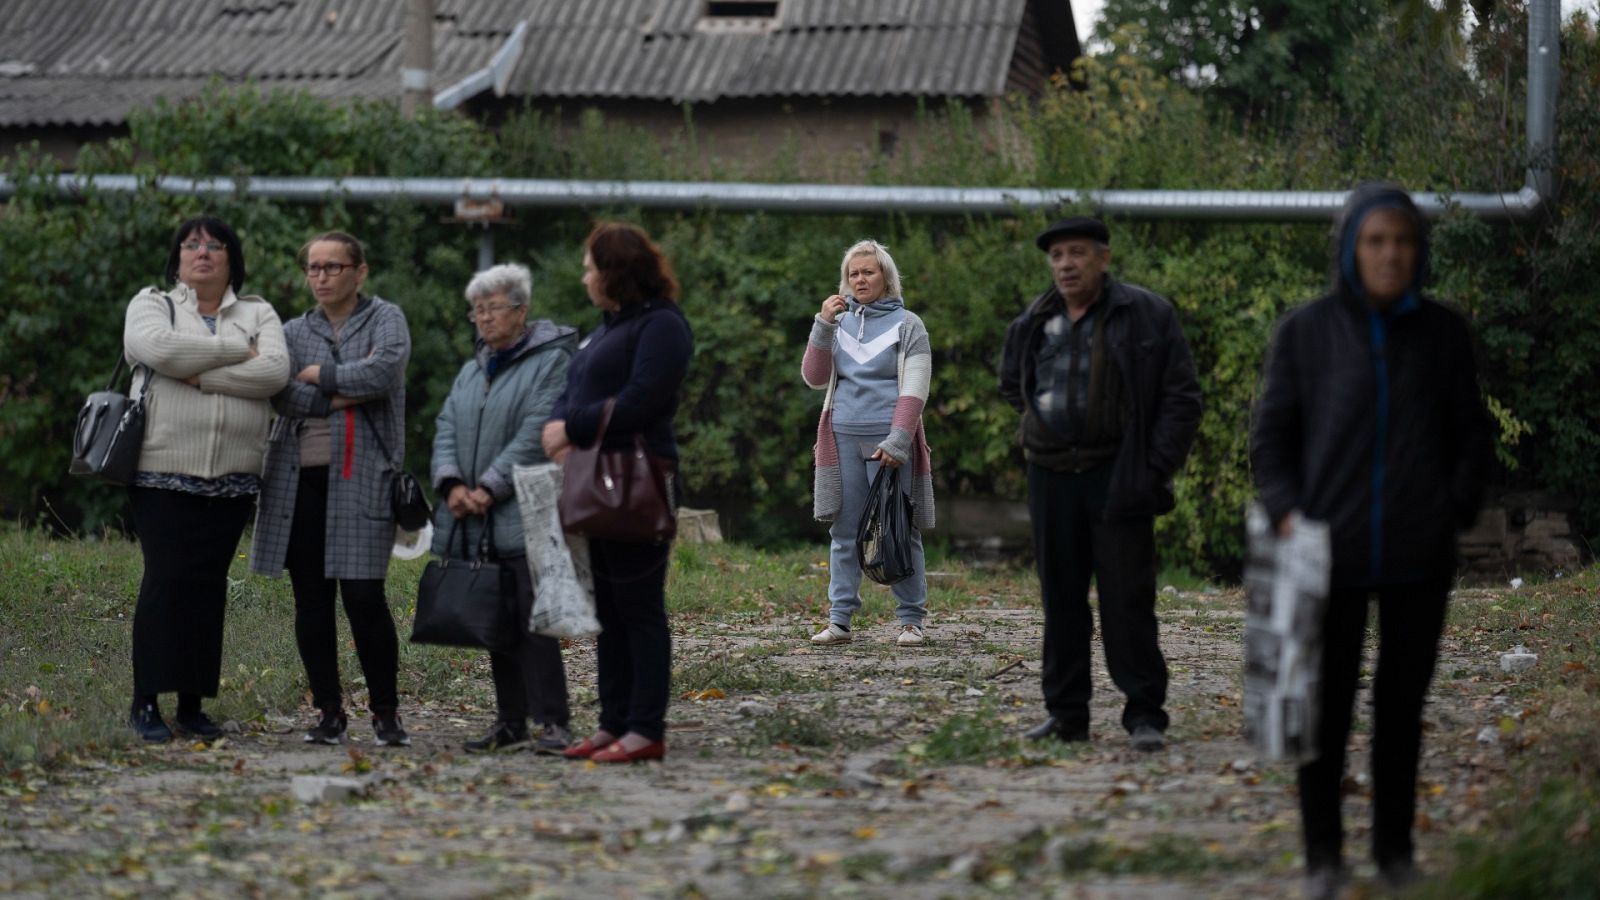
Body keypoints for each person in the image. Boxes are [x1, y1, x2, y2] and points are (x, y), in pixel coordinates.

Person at [1249, 183, 1490, 897]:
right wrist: (1289, 512)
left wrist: (1454, 508)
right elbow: (1272, 439)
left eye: (1403, 241)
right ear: (1350, 249)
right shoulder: (1306, 331)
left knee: (1399, 711)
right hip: (1329, 556)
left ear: (1420, 250)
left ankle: (1394, 855)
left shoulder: (1444, 333)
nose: (1391, 254)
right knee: (1323, 710)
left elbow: (1471, 435)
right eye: (1376, 240)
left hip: (1420, 557)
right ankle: (1324, 856)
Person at [999, 216, 1202, 753]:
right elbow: (1013, 383)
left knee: (1127, 599)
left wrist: (1153, 467)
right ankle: (1067, 716)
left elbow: (1181, 398)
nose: (1065, 264)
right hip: (1051, 475)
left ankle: (1144, 715)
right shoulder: (1035, 318)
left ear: (1103, 259)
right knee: (1061, 599)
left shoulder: (1145, 314)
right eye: (1057, 256)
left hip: (1118, 474)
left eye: (1077, 254)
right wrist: (1042, 427)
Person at [123, 216, 291, 742]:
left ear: (231, 259)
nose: (202, 252)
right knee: (165, 583)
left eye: (215, 245)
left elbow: (275, 373)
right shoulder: (154, 303)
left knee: (206, 590)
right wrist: (237, 351)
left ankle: (193, 706)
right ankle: (146, 702)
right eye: (191, 245)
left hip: (234, 480)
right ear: (176, 258)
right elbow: (161, 350)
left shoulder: (259, 311)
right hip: (161, 473)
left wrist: (204, 375)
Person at [250, 232, 413, 747]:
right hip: (298, 481)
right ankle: (329, 711)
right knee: (311, 600)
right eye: (314, 268)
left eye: (333, 267)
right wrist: (339, 395)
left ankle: (386, 713)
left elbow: (383, 372)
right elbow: (280, 393)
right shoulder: (293, 329)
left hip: (363, 476)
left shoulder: (386, 318)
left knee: (365, 596)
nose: (321, 277)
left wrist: (322, 375)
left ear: (359, 272)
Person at [542, 222, 693, 764]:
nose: (584, 278)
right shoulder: (609, 326)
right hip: (595, 479)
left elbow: (643, 400)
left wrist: (572, 428)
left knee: (639, 607)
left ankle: (645, 729)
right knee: (608, 607)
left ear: (615, 272)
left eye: (590, 267)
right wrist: (558, 426)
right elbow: (573, 387)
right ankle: (613, 722)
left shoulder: (662, 326)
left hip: (638, 480)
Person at [431, 263, 579, 754]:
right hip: (474, 516)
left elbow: (539, 428)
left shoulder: (552, 360)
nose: (484, 319)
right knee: (495, 623)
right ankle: (510, 721)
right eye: (477, 311)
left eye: (493, 308)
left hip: (525, 511)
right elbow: (446, 424)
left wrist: (490, 487)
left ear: (522, 310)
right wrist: (452, 483)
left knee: (534, 623)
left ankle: (554, 722)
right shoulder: (473, 369)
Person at [801, 239, 935, 648]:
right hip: (841, 435)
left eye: (868, 272)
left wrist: (898, 440)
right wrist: (822, 325)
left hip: (890, 442)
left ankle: (911, 620)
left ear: (886, 277)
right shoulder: (837, 325)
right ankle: (839, 620)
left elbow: (915, 388)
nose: (860, 279)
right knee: (843, 531)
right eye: (853, 273)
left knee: (899, 528)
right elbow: (814, 377)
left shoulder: (909, 324)